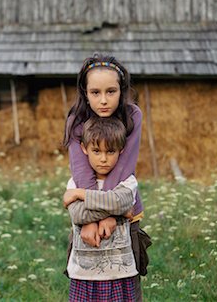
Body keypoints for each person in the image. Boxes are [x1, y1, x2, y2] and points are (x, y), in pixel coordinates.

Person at [63, 53, 151, 301]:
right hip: (90, 213)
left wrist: (111, 216)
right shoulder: (77, 122)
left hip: (122, 206)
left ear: (122, 90)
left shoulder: (132, 116)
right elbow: (81, 173)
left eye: (111, 91)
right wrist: (91, 221)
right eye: (95, 93)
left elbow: (124, 167)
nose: (103, 100)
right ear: (85, 92)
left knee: (122, 278)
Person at [64, 116, 139, 301]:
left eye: (110, 151)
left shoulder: (127, 181)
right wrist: (120, 211)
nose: (103, 159)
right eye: (96, 151)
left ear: (121, 151)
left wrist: (81, 194)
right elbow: (77, 214)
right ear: (84, 149)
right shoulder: (74, 182)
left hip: (119, 272)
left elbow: (119, 201)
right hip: (84, 272)